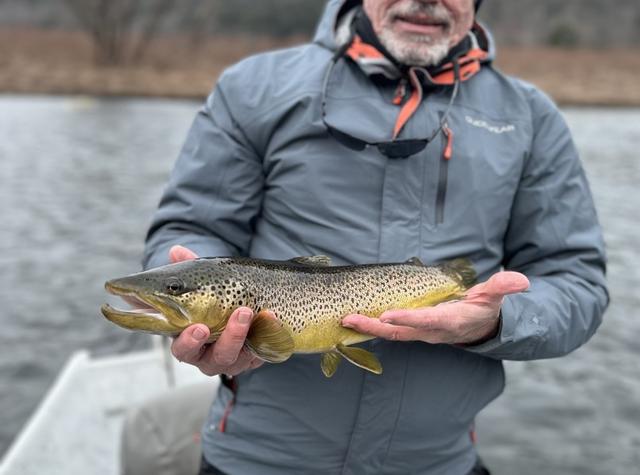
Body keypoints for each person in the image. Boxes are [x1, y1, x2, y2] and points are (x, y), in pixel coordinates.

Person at [142, 0, 609, 473]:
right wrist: (208, 317)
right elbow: (193, 229)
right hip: (256, 459)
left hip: (438, 463)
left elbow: (576, 283)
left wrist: (497, 321)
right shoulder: (253, 88)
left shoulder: (530, 117)